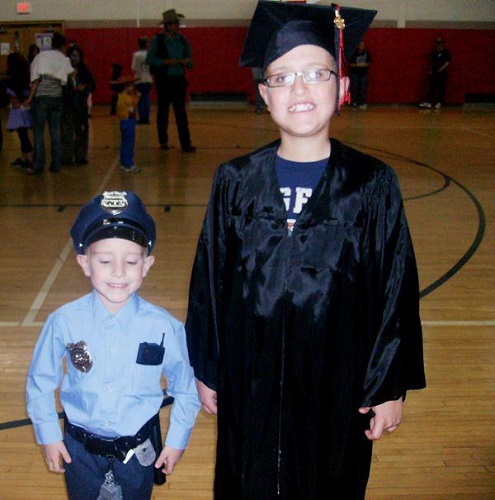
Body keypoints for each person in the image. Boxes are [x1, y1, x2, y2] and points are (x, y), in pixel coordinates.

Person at [185, 2, 426, 498]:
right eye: (281, 77)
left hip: (338, 382)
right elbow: (210, 279)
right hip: (250, 378)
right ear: (264, 95)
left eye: (316, 73)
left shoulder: (372, 184)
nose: (299, 89)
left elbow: (396, 287)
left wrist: (388, 385)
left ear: (342, 87)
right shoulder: (235, 181)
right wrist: (207, 367)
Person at [26, 190, 200, 500]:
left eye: (131, 261)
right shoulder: (63, 321)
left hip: (138, 455)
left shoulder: (164, 327)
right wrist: (49, 435)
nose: (119, 271)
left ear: (147, 264)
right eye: (105, 260)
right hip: (79, 453)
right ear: (84, 263)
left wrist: (177, 440)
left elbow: (186, 389)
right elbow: (40, 381)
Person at [146, 9, 196, 152]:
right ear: (167, 25)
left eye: (177, 23)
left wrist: (186, 62)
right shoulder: (158, 40)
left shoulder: (183, 40)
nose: (177, 26)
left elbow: (190, 62)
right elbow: (150, 59)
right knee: (163, 111)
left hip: (179, 80)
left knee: (181, 112)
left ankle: (186, 143)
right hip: (164, 80)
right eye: (174, 24)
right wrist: (166, 62)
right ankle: (163, 141)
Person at [24, 31, 74, 174]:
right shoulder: (64, 59)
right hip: (57, 97)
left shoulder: (41, 56)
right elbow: (71, 75)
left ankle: (39, 164)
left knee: (39, 132)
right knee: (55, 131)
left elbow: (36, 80)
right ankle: (56, 164)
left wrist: (30, 98)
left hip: (41, 97)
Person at [61, 45, 96, 166]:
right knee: (66, 133)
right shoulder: (63, 71)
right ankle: (67, 157)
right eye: (72, 56)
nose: (74, 58)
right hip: (67, 106)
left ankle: (81, 156)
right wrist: (73, 89)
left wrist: (85, 89)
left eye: (76, 56)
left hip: (81, 106)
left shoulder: (85, 72)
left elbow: (92, 85)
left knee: (82, 131)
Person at [5, 52, 34, 169]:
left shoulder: (13, 79)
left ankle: (29, 158)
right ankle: (24, 158)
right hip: (25, 108)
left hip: (18, 109)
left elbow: (16, 93)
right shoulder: (27, 75)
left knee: (22, 135)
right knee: (23, 134)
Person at [116, 76, 141, 173]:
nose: (133, 88)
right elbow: (133, 105)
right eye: (131, 86)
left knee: (124, 143)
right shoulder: (125, 98)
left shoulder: (122, 97)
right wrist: (137, 96)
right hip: (128, 122)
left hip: (125, 122)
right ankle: (129, 164)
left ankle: (123, 163)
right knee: (129, 144)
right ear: (126, 87)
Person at [419, 38, 451, 110]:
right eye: (437, 44)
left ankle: (439, 102)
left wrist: (441, 69)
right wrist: (430, 70)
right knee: (431, 87)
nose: (438, 45)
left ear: (442, 44)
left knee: (440, 88)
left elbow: (447, 62)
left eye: (440, 44)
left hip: (441, 73)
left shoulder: (446, 52)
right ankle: (428, 102)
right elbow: (432, 62)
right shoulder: (434, 53)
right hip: (434, 72)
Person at [132, 36, 153, 124]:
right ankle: (147, 117)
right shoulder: (149, 54)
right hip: (148, 79)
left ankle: (142, 117)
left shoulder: (136, 55)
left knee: (140, 99)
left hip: (139, 79)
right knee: (147, 98)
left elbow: (134, 68)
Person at [349, 40, 371, 109]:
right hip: (355, 74)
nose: (362, 46)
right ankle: (354, 102)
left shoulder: (366, 53)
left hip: (364, 74)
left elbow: (369, 62)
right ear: (358, 46)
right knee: (354, 88)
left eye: (363, 45)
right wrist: (358, 65)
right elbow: (351, 64)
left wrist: (364, 65)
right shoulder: (354, 53)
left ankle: (362, 103)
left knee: (363, 89)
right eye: (360, 45)